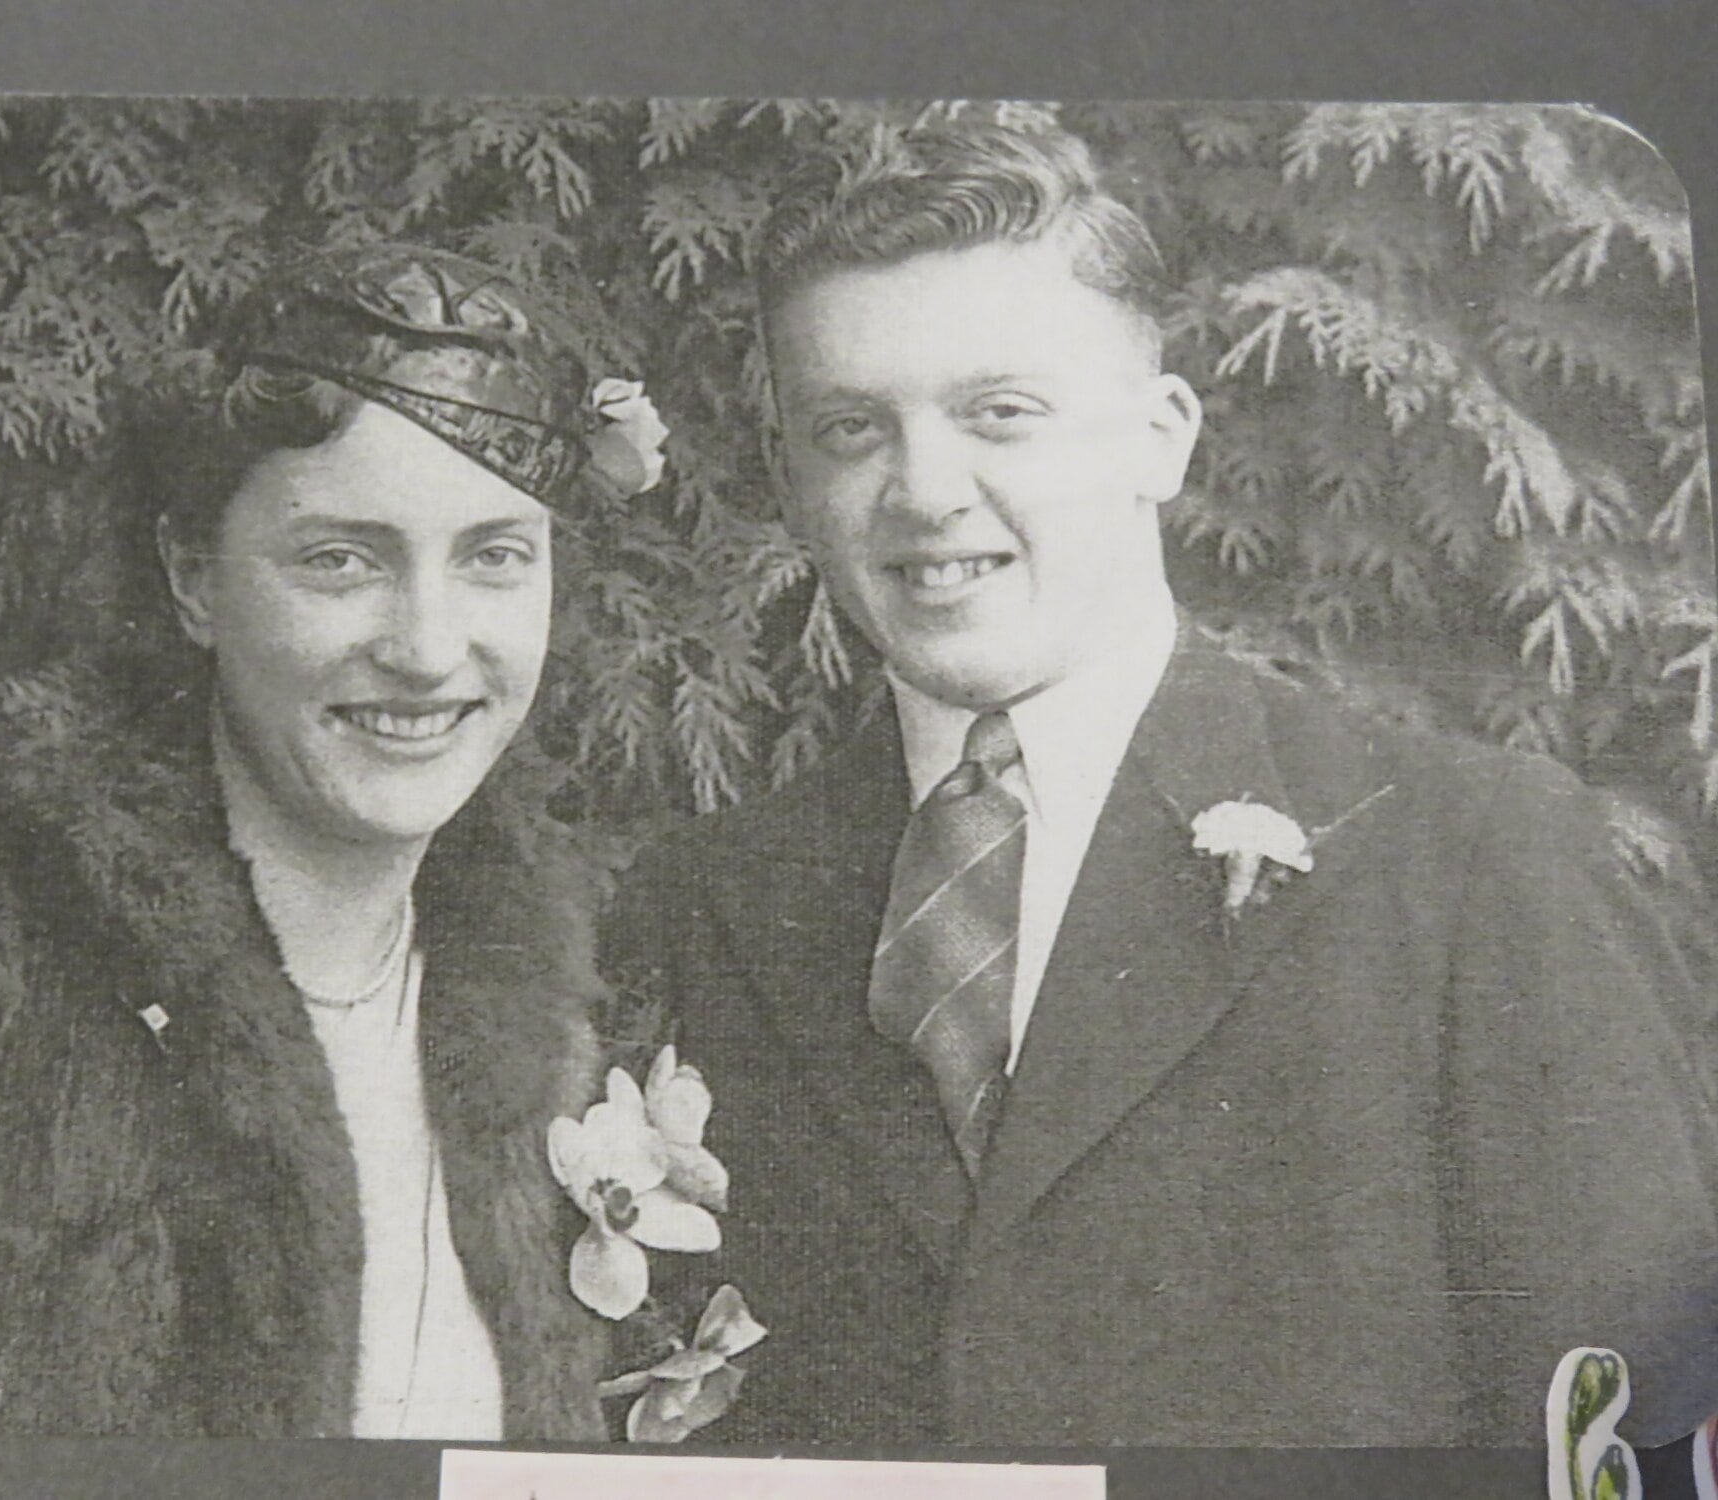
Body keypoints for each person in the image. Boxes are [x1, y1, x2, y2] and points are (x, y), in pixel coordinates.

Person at [602, 124, 1718, 1451]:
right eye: (852, 429)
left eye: (998, 412)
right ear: (791, 484)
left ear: (1161, 438)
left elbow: (1641, 1433)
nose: (924, 490)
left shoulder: (1472, 858)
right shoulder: (711, 899)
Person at [0, 241, 670, 1439]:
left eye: (492, 557)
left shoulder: (557, 1032)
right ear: (192, 579)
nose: (429, 648)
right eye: (340, 559)